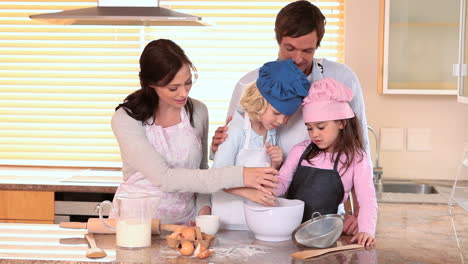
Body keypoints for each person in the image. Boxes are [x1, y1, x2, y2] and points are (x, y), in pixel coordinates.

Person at [211, 0, 370, 235]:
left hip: (321, 212)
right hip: (268, 208)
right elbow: (226, 157)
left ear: (318, 45)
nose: (297, 58)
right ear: (278, 40)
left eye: (307, 50)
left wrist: (359, 213)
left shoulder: (342, 78)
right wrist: (216, 146)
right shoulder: (249, 84)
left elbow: (358, 148)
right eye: (289, 48)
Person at [111, 39, 279, 224]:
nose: (183, 93)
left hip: (184, 225)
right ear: (150, 84)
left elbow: (200, 171)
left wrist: (203, 210)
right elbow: (164, 178)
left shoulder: (198, 111)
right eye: (173, 88)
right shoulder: (126, 118)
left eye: (188, 83)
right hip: (136, 223)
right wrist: (241, 175)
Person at [276, 78, 377, 246]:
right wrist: (265, 190)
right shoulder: (300, 151)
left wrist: (366, 230)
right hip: (291, 231)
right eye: (309, 128)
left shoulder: (356, 159)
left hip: (326, 236)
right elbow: (282, 182)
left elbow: (367, 198)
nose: (314, 134)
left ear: (342, 123)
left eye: (321, 127)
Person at [211, 59, 309, 230]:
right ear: (259, 100)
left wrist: (277, 163)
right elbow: (216, 178)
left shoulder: (271, 131)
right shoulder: (235, 129)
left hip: (256, 224)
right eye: (277, 113)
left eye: (287, 116)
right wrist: (250, 193)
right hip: (228, 224)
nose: (281, 121)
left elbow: (269, 178)